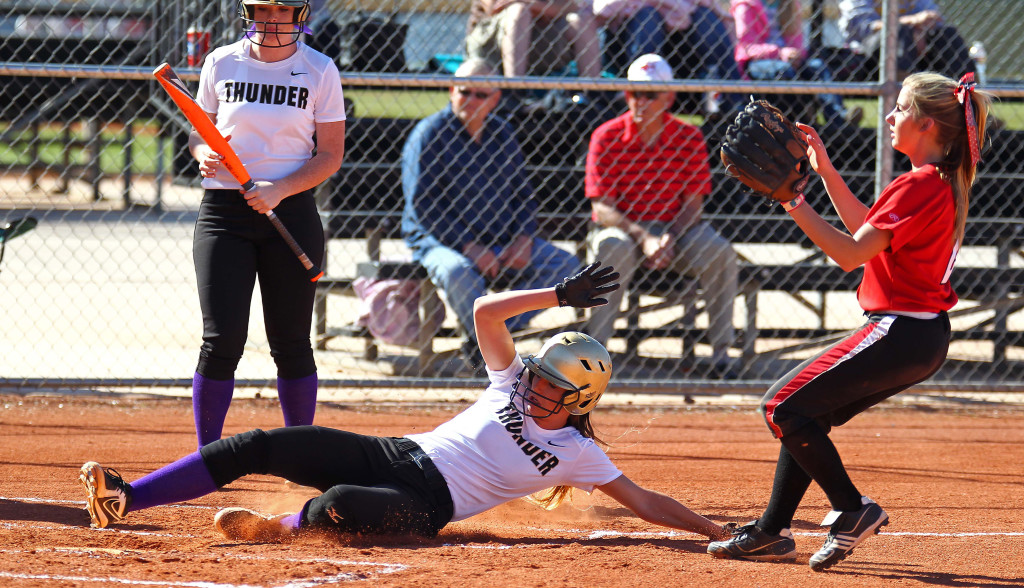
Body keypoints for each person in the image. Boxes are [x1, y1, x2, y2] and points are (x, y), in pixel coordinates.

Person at [78, 263, 733, 545]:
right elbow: (482, 309)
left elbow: (646, 501)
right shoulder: (509, 384)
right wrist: (557, 297)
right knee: (264, 444)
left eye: (551, 389)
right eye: (535, 376)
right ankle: (127, 497)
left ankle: (275, 528)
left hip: (427, 506)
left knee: (344, 505)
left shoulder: (577, 453)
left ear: (580, 400)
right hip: (398, 453)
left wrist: (715, 530)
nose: (532, 387)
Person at [707, 71, 991, 571]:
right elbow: (866, 232)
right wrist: (824, 172)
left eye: (900, 109)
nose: (889, 115)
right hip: (919, 335)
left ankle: (852, 508)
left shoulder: (919, 184)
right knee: (805, 415)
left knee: (781, 407)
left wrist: (792, 200)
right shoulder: (931, 182)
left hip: (899, 331)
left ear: (926, 125)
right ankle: (771, 532)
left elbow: (847, 252)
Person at [188, 0, 347, 448]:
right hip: (224, 212)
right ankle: (208, 457)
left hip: (290, 211)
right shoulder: (220, 61)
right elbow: (200, 133)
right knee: (221, 341)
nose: (271, 20)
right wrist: (205, 156)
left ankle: (299, 452)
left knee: (292, 342)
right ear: (247, 14)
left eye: (282, 11)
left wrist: (279, 189)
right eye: (261, 10)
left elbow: (330, 155)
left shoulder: (319, 69)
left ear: (300, 16)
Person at [401, 58, 580, 369]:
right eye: (464, 91)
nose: (471, 100)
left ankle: (487, 338)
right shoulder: (429, 134)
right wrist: (469, 247)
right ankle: (491, 345)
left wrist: (524, 238)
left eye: (480, 95)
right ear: (451, 90)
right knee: (457, 273)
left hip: (502, 238)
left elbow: (523, 195)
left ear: (495, 98)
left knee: (567, 266)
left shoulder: (503, 133)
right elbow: (424, 207)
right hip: (440, 242)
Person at [585, 54, 738, 375]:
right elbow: (602, 207)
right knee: (612, 246)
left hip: (675, 230)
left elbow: (693, 205)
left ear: (669, 96)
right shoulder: (607, 135)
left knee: (719, 251)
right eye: (634, 93)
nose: (640, 101)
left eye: (650, 94)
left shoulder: (689, 137)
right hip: (624, 230)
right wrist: (645, 238)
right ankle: (591, 356)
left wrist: (668, 238)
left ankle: (722, 353)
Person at [594, 0, 744, 116]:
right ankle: (640, 92)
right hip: (630, 46)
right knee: (648, 17)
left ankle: (728, 99)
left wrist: (675, 7)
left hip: (684, 56)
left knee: (706, 17)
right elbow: (605, 9)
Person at [731, 0, 862, 129]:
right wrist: (781, 53)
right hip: (757, 62)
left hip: (787, 59)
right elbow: (748, 47)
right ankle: (799, 122)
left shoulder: (789, 4)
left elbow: (796, 40)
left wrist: (797, 56)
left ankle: (839, 118)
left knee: (817, 66)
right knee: (785, 71)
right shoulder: (747, 5)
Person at [465, 0, 602, 81]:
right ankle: (514, 90)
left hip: (540, 40)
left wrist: (533, 5)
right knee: (519, 11)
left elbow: (572, 6)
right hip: (490, 43)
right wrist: (546, 8)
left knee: (582, 19)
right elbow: (495, 6)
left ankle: (593, 92)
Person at [838, 0, 975, 81]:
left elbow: (934, 16)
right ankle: (903, 97)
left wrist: (919, 30)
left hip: (917, 49)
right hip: (868, 57)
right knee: (900, 30)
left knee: (948, 34)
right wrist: (910, 22)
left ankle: (971, 103)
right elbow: (863, 26)